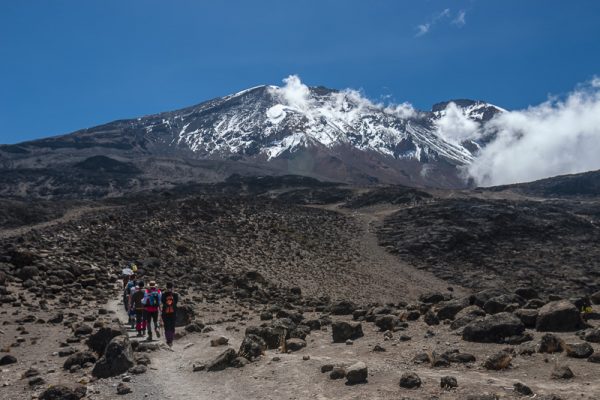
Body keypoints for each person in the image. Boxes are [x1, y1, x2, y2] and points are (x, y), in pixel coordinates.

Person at [161, 282, 179, 347]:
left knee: (166, 326)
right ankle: (171, 340)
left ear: (166, 287)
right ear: (172, 287)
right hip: (173, 312)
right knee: (172, 326)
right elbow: (176, 303)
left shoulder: (163, 294)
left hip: (165, 312)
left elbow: (162, 302)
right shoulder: (175, 295)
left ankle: (168, 340)